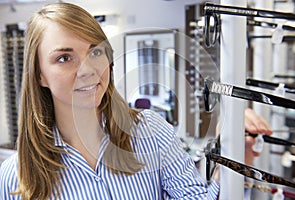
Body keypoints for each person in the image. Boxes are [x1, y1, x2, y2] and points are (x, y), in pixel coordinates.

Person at [0, 2, 272, 200]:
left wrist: (234, 152)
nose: (87, 70)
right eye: (64, 58)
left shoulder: (150, 131)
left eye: (95, 51)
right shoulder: (16, 176)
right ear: (39, 76)